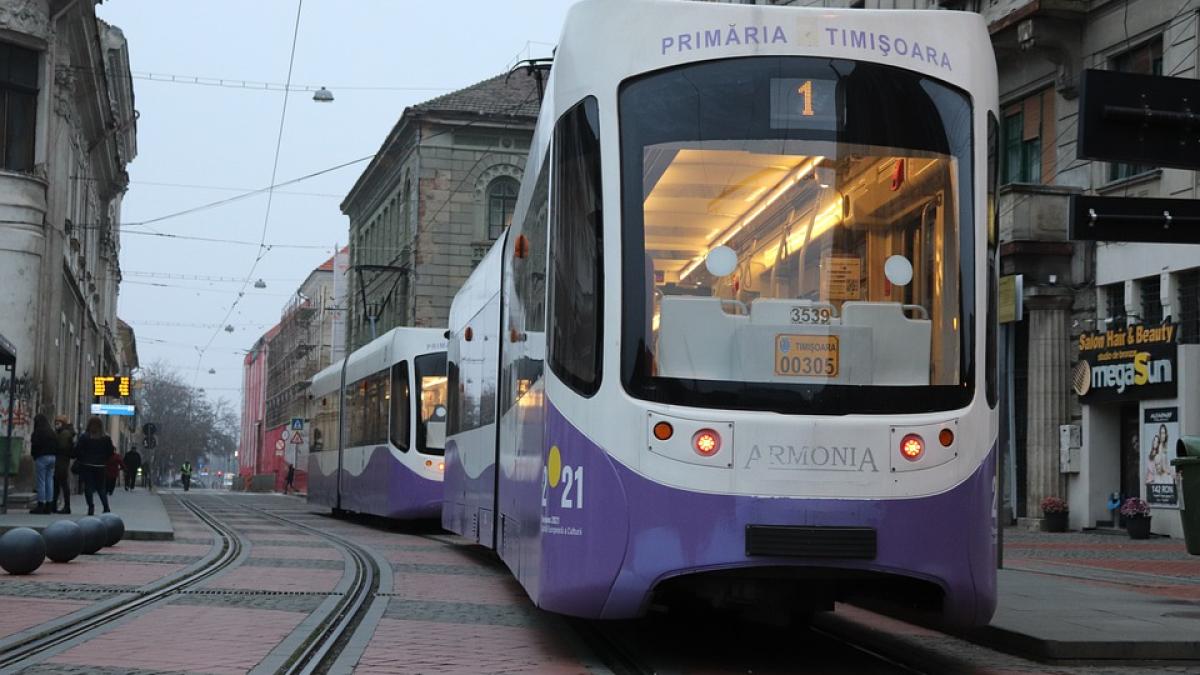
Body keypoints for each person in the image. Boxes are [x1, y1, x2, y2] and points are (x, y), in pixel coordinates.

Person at [75, 416, 115, 515]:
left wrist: (83, 458)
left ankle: (90, 507)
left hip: (87, 465)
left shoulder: (85, 436)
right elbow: (110, 452)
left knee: (88, 487)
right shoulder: (106, 438)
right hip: (100, 466)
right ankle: (106, 507)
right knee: (101, 488)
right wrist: (104, 459)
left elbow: (78, 450)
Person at [29, 414, 59, 514]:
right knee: (49, 480)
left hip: (42, 457)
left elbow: (35, 445)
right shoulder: (51, 432)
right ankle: (49, 504)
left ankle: (41, 504)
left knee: (41, 481)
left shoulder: (38, 432)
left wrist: (34, 455)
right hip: (52, 457)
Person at [52, 415, 76, 513]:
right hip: (61, 461)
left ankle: (66, 506)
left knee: (62, 484)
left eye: (58, 423)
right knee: (58, 484)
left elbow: (61, 447)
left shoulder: (64, 434)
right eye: (56, 423)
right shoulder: (62, 432)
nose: (56, 425)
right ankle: (55, 505)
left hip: (61, 461)